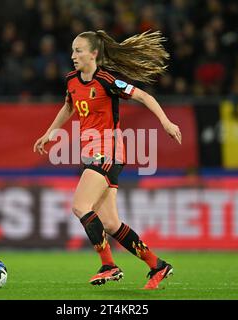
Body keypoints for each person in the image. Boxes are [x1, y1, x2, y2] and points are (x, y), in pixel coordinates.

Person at [33, 30, 181, 289]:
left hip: (109, 151)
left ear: (94, 54)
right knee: (111, 223)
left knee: (80, 205)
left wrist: (166, 122)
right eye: (72, 50)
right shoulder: (71, 81)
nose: (73, 56)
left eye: (78, 50)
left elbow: (145, 96)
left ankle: (109, 266)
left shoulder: (107, 80)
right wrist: (49, 133)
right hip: (92, 153)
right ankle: (157, 264)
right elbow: (68, 106)